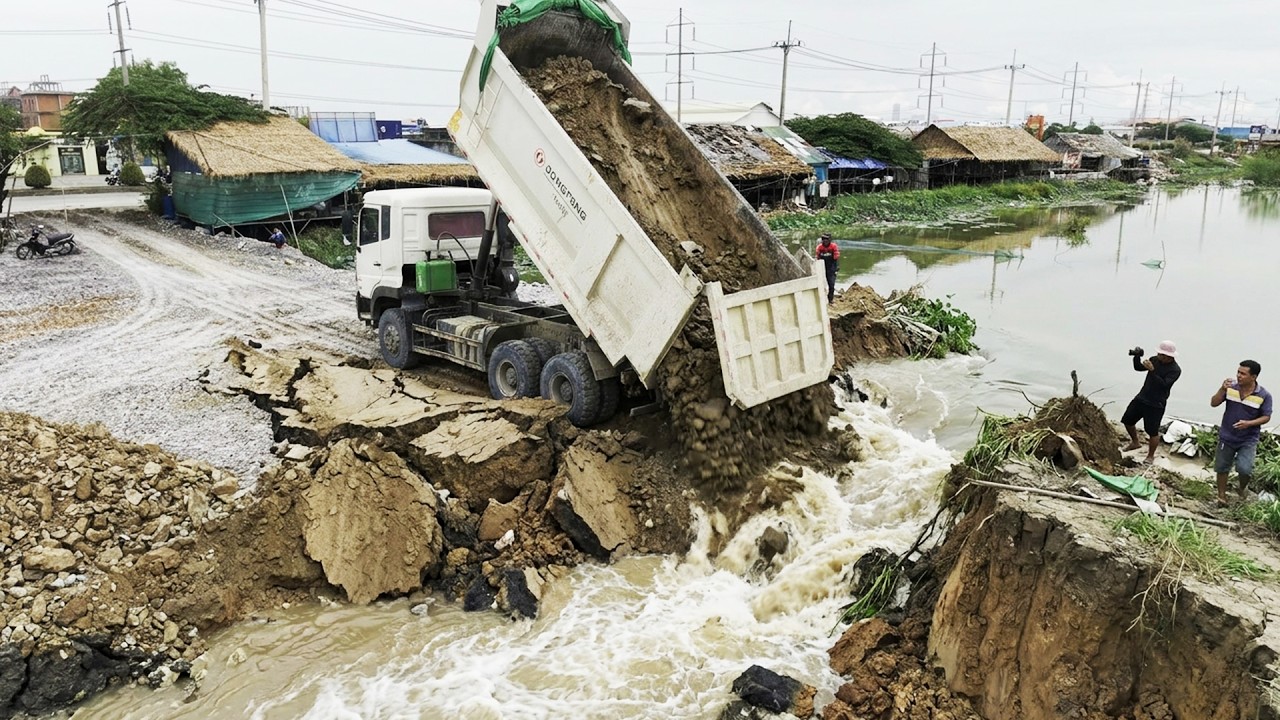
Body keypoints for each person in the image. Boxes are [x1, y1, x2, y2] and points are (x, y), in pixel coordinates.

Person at [1210, 360, 1272, 505]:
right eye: (1238, 372)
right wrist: (1221, 389)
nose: (1238, 376)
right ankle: (1221, 496)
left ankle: (1242, 487)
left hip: (1248, 439)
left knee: (1245, 469)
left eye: (1243, 374)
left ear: (1254, 377)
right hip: (1227, 435)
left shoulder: (1264, 395)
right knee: (1222, 467)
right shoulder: (1231, 388)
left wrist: (1249, 424)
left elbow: (1266, 417)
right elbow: (1213, 403)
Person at [1120, 340, 1181, 465]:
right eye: (1158, 354)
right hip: (1142, 397)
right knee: (1127, 420)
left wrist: (1152, 371)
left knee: (1152, 431)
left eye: (1161, 355)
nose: (1158, 356)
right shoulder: (1155, 360)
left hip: (1156, 403)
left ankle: (1150, 456)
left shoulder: (1175, 370)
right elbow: (1138, 368)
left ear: (1168, 356)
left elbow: (1164, 385)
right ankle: (1135, 442)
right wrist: (1137, 356)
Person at [815, 233, 839, 303]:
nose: (825, 241)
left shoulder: (833, 246)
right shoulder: (819, 247)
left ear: (830, 240)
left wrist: (836, 268)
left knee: (831, 285)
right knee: (820, 284)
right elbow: (817, 257)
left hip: (831, 268)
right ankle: (821, 299)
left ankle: (830, 299)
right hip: (822, 268)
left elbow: (836, 257)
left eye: (827, 239)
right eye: (823, 239)